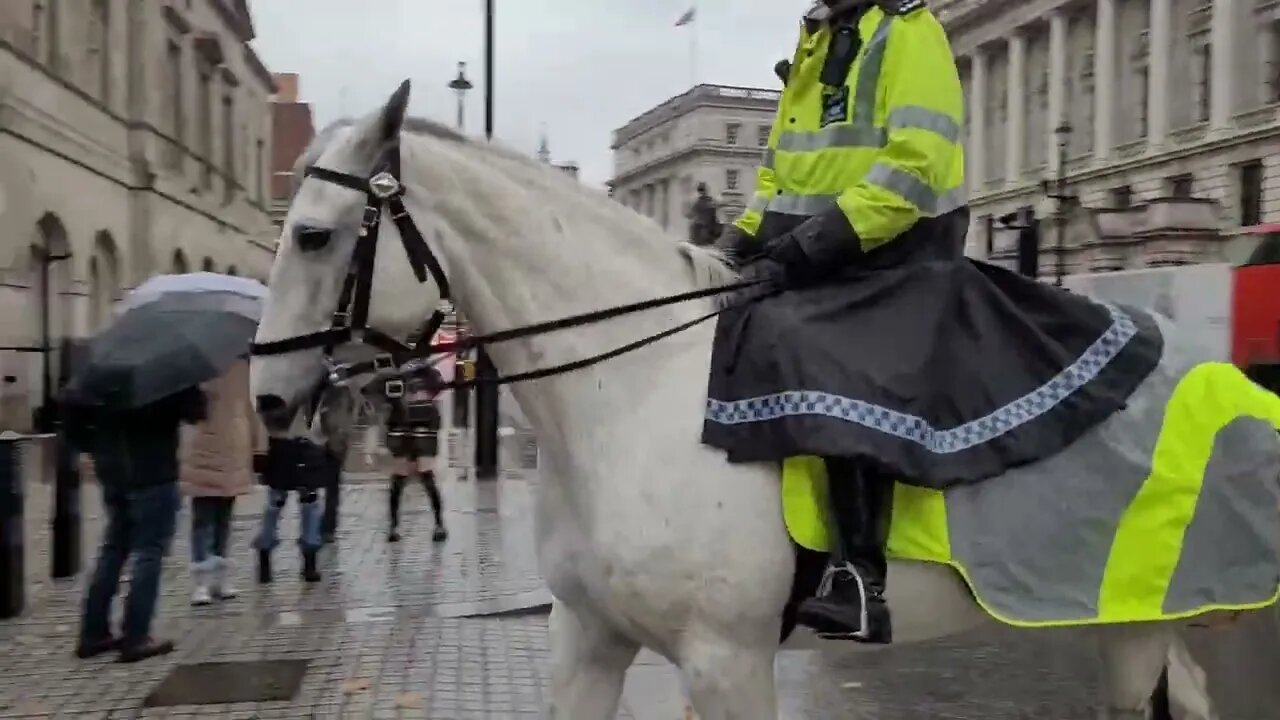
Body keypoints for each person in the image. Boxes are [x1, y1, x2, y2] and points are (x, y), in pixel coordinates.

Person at [706, 0, 1160, 644]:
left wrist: (813, 245)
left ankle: (859, 579)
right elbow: (779, 173)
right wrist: (739, 241)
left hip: (897, 252)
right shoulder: (813, 44)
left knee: (830, 360)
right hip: (820, 251)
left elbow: (915, 164)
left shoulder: (908, 31)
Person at [66, 384, 207, 662]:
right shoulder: (165, 374)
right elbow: (195, 411)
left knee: (113, 549)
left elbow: (71, 410)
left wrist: (92, 446)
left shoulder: (103, 372)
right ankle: (136, 636)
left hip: (114, 473)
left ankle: (93, 634)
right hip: (153, 473)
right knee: (148, 552)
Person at [180, 358, 263, 605]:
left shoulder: (243, 367)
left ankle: (219, 576)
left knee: (224, 519)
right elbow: (188, 411)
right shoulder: (197, 368)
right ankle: (202, 581)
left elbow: (251, 408)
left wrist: (258, 446)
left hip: (234, 450)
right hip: (204, 448)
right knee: (203, 518)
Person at [385, 361, 447, 543]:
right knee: (399, 481)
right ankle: (394, 525)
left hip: (423, 432)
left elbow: (438, 388)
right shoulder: (396, 375)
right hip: (402, 431)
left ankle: (438, 523)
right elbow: (383, 396)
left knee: (426, 479)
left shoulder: (429, 374)